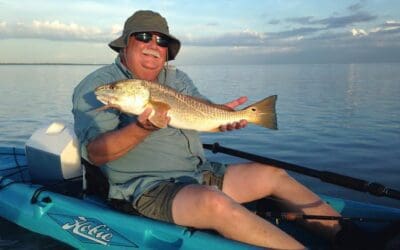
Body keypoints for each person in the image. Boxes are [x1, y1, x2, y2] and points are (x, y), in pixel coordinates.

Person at [72, 10, 370, 249]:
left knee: (272, 174)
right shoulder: (99, 87)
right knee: (215, 202)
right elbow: (96, 154)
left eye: (162, 41)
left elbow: (200, 106)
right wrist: (141, 127)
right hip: (145, 189)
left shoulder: (175, 78)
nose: (153, 45)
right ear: (126, 43)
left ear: (167, 51)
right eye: (144, 37)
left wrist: (225, 114)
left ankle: (350, 238)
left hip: (198, 172)